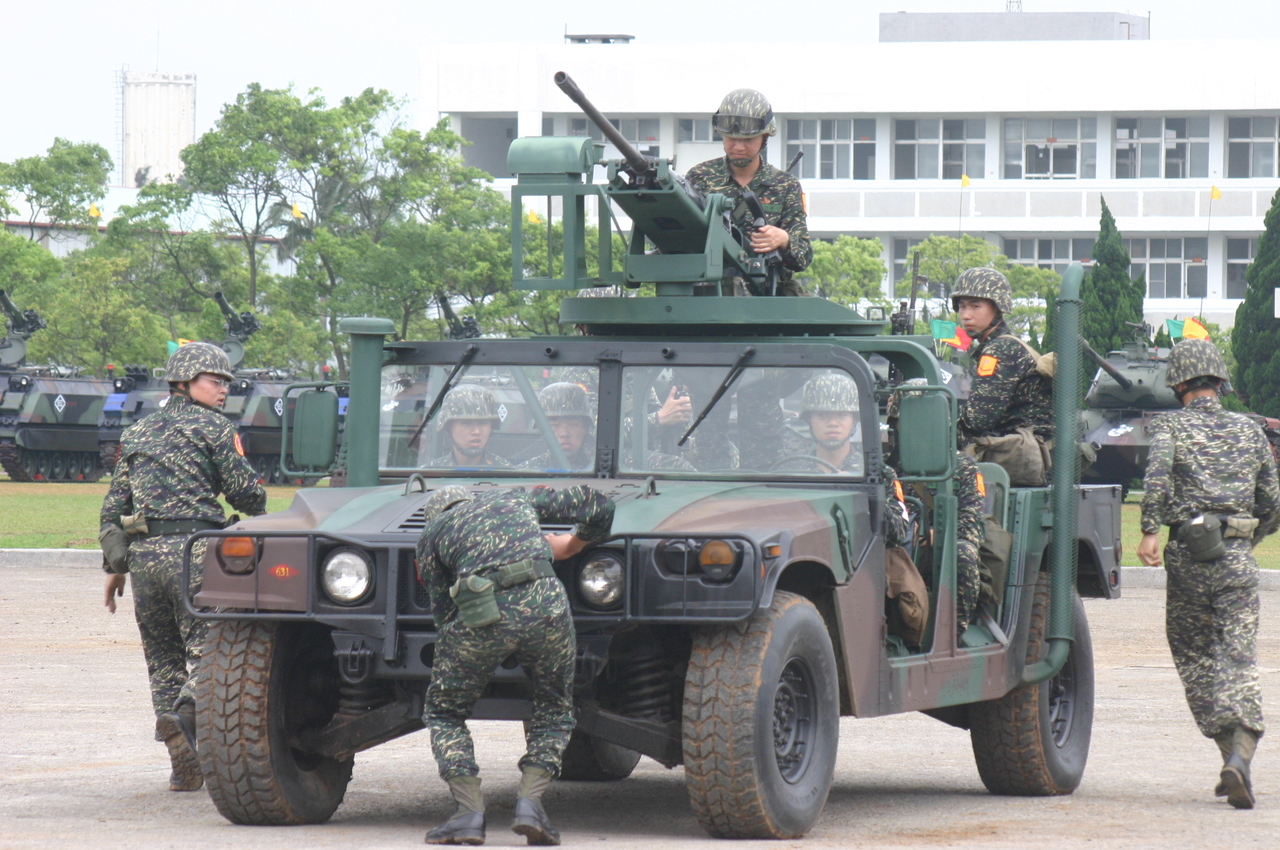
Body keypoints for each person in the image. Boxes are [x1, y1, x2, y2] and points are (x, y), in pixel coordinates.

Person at [100, 342, 267, 791]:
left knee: (163, 662)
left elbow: (115, 505)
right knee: (211, 651)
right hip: (195, 552)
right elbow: (246, 495)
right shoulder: (216, 429)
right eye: (215, 381)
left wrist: (117, 564)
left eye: (227, 383)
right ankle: (186, 720)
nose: (224, 390)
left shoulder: (137, 433)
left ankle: (181, 762)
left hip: (145, 557)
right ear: (183, 383)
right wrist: (259, 497)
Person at [415, 483, 616, 845]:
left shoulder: (431, 534)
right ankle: (530, 804)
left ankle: (468, 813)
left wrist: (472, 649)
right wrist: (577, 543)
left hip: (483, 617)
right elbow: (596, 504)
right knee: (554, 709)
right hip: (548, 606)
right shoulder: (512, 497)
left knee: (444, 712)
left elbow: (443, 612)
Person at [1136, 339, 1279, 810]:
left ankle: (1229, 758)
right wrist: (1245, 540)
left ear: (1177, 384)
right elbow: (1272, 502)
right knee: (1237, 656)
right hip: (1237, 555)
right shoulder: (1251, 429)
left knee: (1195, 658)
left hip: (1187, 558)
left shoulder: (1169, 426)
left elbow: (1155, 479)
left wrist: (1150, 531)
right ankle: (1240, 756)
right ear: (1220, 381)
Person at [685, 88, 812, 296]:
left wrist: (784, 240)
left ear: (764, 137)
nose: (738, 147)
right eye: (730, 138)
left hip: (765, 301)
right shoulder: (699, 178)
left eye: (748, 140)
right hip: (706, 296)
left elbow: (803, 257)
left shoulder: (785, 185)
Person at [887, 378, 987, 636]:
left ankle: (952, 635)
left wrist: (935, 535)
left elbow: (972, 523)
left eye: (924, 421)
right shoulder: (888, 469)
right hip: (900, 550)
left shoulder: (961, 467)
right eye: (908, 422)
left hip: (938, 550)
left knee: (962, 553)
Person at [950, 267, 1054, 486]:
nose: (966, 315)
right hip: (1027, 446)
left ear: (997, 309)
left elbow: (978, 420)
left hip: (1023, 450)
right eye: (962, 307)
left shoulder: (999, 350)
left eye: (975, 306)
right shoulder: (1006, 344)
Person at [430, 384, 511, 469]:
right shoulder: (430, 474)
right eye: (466, 423)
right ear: (449, 427)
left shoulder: (507, 472)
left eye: (483, 423)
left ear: (491, 428)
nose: (476, 431)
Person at [522, 382, 595, 472]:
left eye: (573, 424)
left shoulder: (598, 468)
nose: (564, 433)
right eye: (554, 425)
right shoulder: (528, 471)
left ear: (586, 429)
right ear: (543, 431)